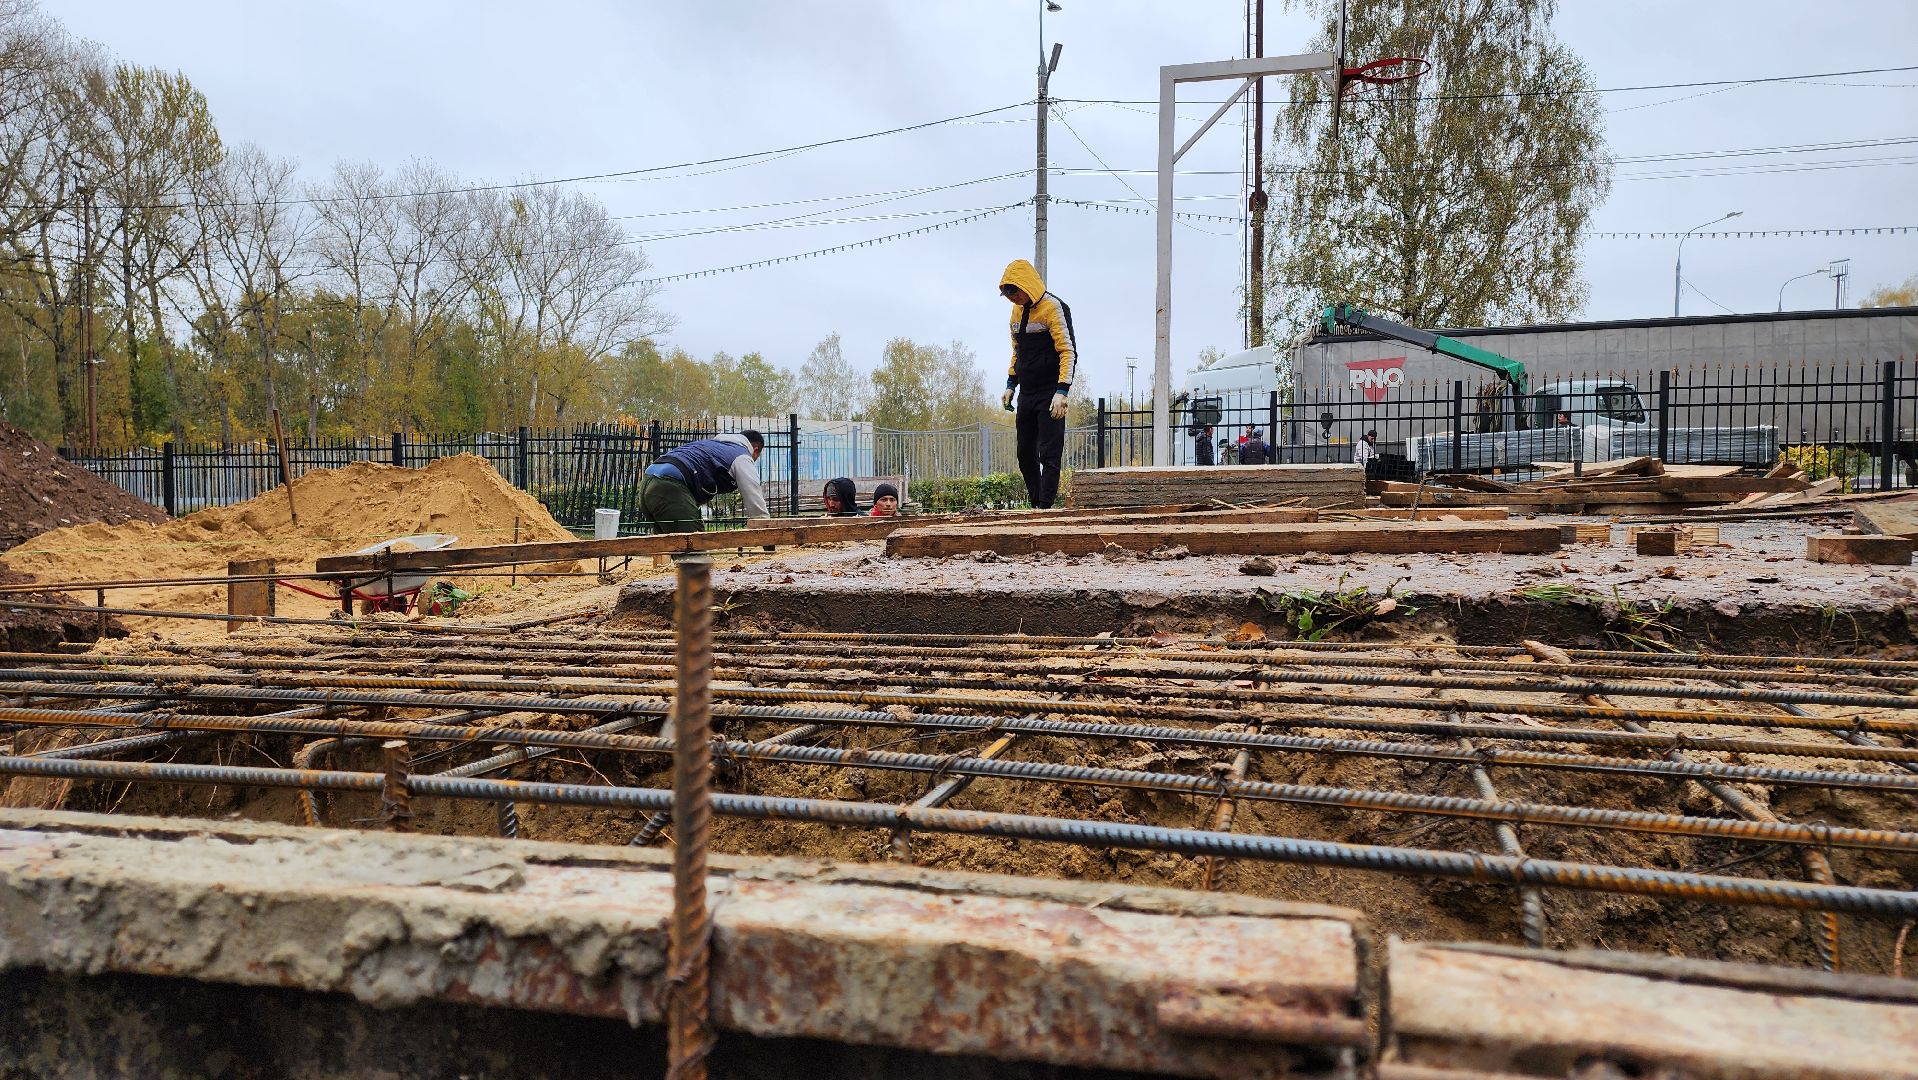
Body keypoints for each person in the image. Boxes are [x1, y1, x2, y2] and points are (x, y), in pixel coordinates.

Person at [998, 259, 1076, 510]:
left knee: (1049, 454)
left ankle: (1046, 507)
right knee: (1024, 454)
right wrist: (1011, 384)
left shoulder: (1054, 307)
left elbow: (1067, 351)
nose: (1013, 299)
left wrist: (1062, 390)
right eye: (1008, 295)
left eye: (1015, 293)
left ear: (1027, 285)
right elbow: (1017, 351)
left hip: (1051, 393)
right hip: (1027, 393)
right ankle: (1035, 504)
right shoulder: (1016, 312)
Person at [638, 430, 768, 534]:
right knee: (694, 551)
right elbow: (753, 495)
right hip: (669, 486)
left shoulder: (711, 445)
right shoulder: (742, 456)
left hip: (648, 481)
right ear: (755, 449)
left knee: (669, 546)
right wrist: (767, 533)